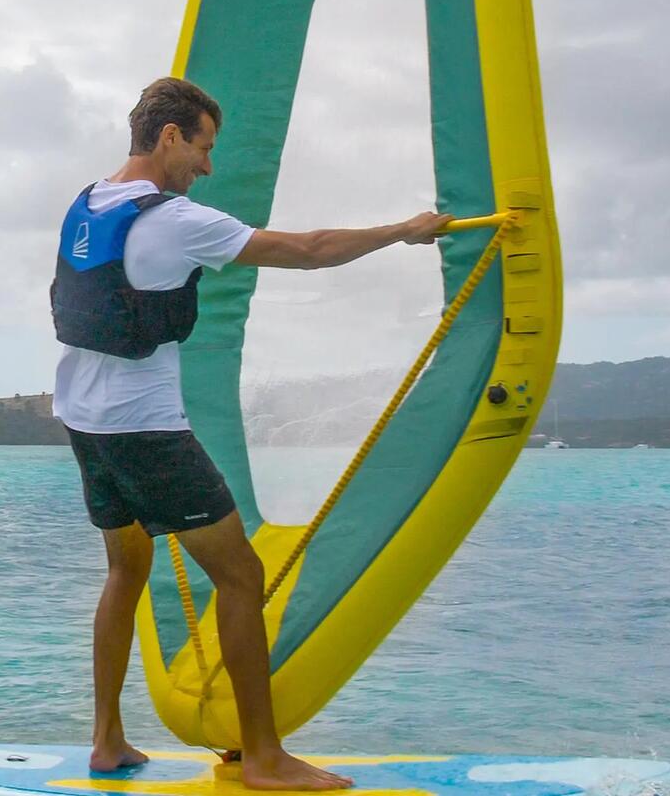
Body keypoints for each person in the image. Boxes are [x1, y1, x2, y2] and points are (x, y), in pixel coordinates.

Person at [50, 78, 449, 790]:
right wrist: (402, 231)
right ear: (169, 136)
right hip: (146, 430)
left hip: (84, 420)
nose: (207, 167)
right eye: (203, 148)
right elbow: (309, 248)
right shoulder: (174, 220)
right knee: (240, 575)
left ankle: (107, 740)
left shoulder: (87, 202)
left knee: (125, 570)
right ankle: (264, 756)